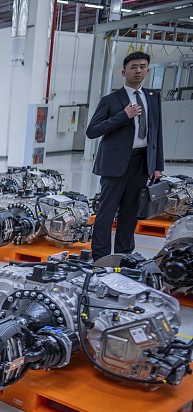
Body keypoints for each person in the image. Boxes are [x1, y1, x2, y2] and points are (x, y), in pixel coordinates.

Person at [86, 51, 164, 261]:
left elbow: (157, 132)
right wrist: (123, 115)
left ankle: (123, 256)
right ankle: (101, 258)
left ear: (147, 70)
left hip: (141, 163)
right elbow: (92, 130)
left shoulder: (153, 97)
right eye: (133, 67)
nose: (138, 70)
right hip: (114, 164)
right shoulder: (111, 100)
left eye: (142, 66)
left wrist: (158, 165)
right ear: (124, 71)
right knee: (106, 213)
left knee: (130, 214)